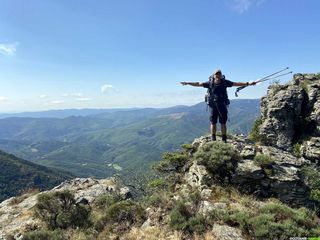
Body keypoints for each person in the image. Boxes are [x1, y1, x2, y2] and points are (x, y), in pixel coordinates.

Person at [180, 69, 256, 143]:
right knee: (213, 122)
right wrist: (187, 83)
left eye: (219, 74)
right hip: (213, 105)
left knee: (223, 122)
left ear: (221, 75)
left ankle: (224, 139)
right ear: (213, 75)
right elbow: (198, 84)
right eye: (216, 74)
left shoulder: (225, 82)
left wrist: (248, 83)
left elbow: (236, 83)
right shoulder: (210, 83)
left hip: (222, 104)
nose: (218, 75)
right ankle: (213, 138)